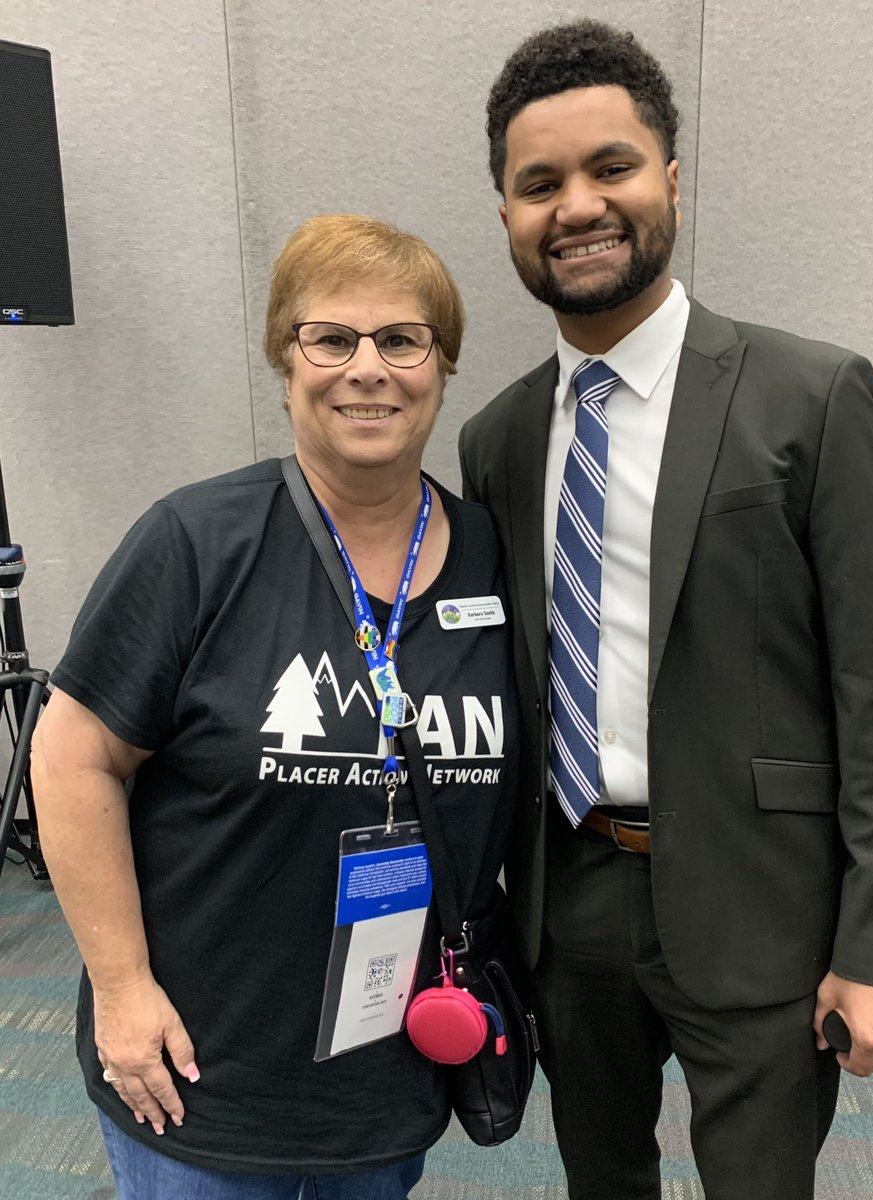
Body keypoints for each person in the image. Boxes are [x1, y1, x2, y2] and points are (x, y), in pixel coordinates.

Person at [459, 20, 873, 1200]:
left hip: (761, 901)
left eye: (609, 167)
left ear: (668, 179)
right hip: (566, 904)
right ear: (507, 216)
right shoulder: (497, 439)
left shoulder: (809, 396)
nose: (576, 205)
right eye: (538, 185)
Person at [31, 213, 519, 1200]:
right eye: (331, 338)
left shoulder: (492, 557)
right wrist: (121, 994)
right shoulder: (196, 543)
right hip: (201, 1069)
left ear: (442, 362)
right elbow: (72, 757)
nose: (366, 368)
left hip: (388, 1063)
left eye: (401, 339)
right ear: (284, 360)